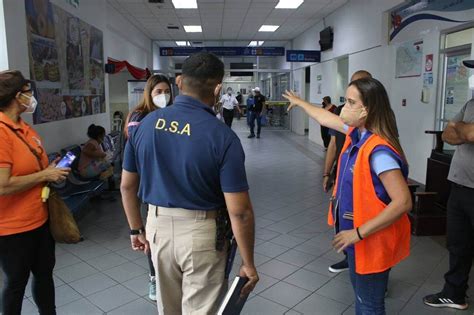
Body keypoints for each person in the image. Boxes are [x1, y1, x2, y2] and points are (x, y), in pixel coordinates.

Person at [121, 52, 259, 314]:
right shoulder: (222, 137)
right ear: (218, 88)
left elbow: (127, 186)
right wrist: (248, 262)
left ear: (179, 81)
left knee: (167, 307)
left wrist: (135, 230)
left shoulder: (144, 125)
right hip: (202, 235)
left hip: (156, 228)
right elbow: (239, 211)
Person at [284, 78, 412, 314]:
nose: (344, 107)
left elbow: (403, 202)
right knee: (363, 299)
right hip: (360, 240)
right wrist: (300, 102)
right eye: (345, 100)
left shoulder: (378, 152)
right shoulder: (357, 134)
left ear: (368, 109)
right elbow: (324, 117)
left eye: (351, 102)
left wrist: (357, 233)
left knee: (369, 305)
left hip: (370, 239)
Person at [0, 70, 70, 315]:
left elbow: (34, 166)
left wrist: (51, 170)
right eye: (29, 93)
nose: (32, 98)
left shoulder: (24, 128)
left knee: (44, 275)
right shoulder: (1, 132)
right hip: (12, 229)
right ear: (18, 96)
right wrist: (44, 175)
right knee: (15, 284)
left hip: (39, 219)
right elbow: (3, 185)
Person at [423, 59, 474, 311]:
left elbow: (468, 134)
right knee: (458, 244)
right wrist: (461, 129)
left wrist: (461, 129)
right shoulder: (471, 103)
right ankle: (454, 294)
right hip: (460, 187)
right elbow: (447, 134)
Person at [124, 74, 172, 302]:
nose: (163, 96)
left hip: (169, 182)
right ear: (149, 93)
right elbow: (139, 146)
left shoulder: (171, 113)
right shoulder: (138, 116)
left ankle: (168, 273)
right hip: (148, 182)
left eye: (166, 91)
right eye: (158, 92)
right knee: (151, 235)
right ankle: (154, 276)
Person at [323, 70, 373, 274]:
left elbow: (401, 201)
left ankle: (372, 270)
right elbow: (333, 143)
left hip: (365, 184)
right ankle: (350, 258)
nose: (348, 104)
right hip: (345, 177)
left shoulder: (377, 140)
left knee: (364, 223)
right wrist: (327, 173)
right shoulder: (348, 118)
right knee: (344, 216)